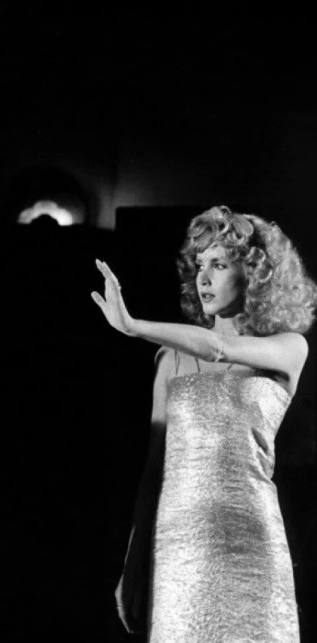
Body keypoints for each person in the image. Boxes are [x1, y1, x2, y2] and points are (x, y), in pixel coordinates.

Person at [92, 206, 316, 641]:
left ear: (254, 274)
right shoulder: (170, 358)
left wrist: (133, 326)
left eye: (219, 264)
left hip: (251, 546)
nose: (204, 278)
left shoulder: (288, 348)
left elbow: (217, 348)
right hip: (177, 550)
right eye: (199, 265)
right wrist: (133, 563)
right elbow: (153, 471)